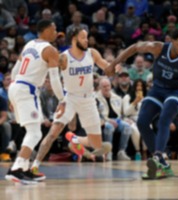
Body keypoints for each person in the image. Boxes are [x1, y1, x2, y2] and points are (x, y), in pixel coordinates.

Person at [108, 27, 178, 179]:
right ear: (171, 41)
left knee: (164, 119)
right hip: (158, 89)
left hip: (176, 91)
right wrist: (114, 63)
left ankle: (158, 157)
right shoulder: (158, 48)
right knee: (142, 122)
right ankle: (161, 163)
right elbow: (135, 47)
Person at [30, 27, 112, 180]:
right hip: (70, 98)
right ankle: (35, 165)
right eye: (83, 37)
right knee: (53, 133)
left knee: (96, 145)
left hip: (89, 99)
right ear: (74, 39)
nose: (87, 40)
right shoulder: (63, 58)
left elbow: (106, 66)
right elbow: (49, 75)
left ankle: (76, 140)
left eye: (87, 37)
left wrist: (113, 67)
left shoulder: (92, 53)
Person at [5, 19, 66, 184]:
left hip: (17, 86)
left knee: (32, 130)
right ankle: (17, 169)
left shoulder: (29, 44)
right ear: (45, 30)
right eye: (54, 29)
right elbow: (54, 78)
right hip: (27, 90)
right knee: (35, 132)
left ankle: (23, 168)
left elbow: (16, 70)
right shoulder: (50, 50)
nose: (55, 32)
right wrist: (62, 99)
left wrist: (13, 94)